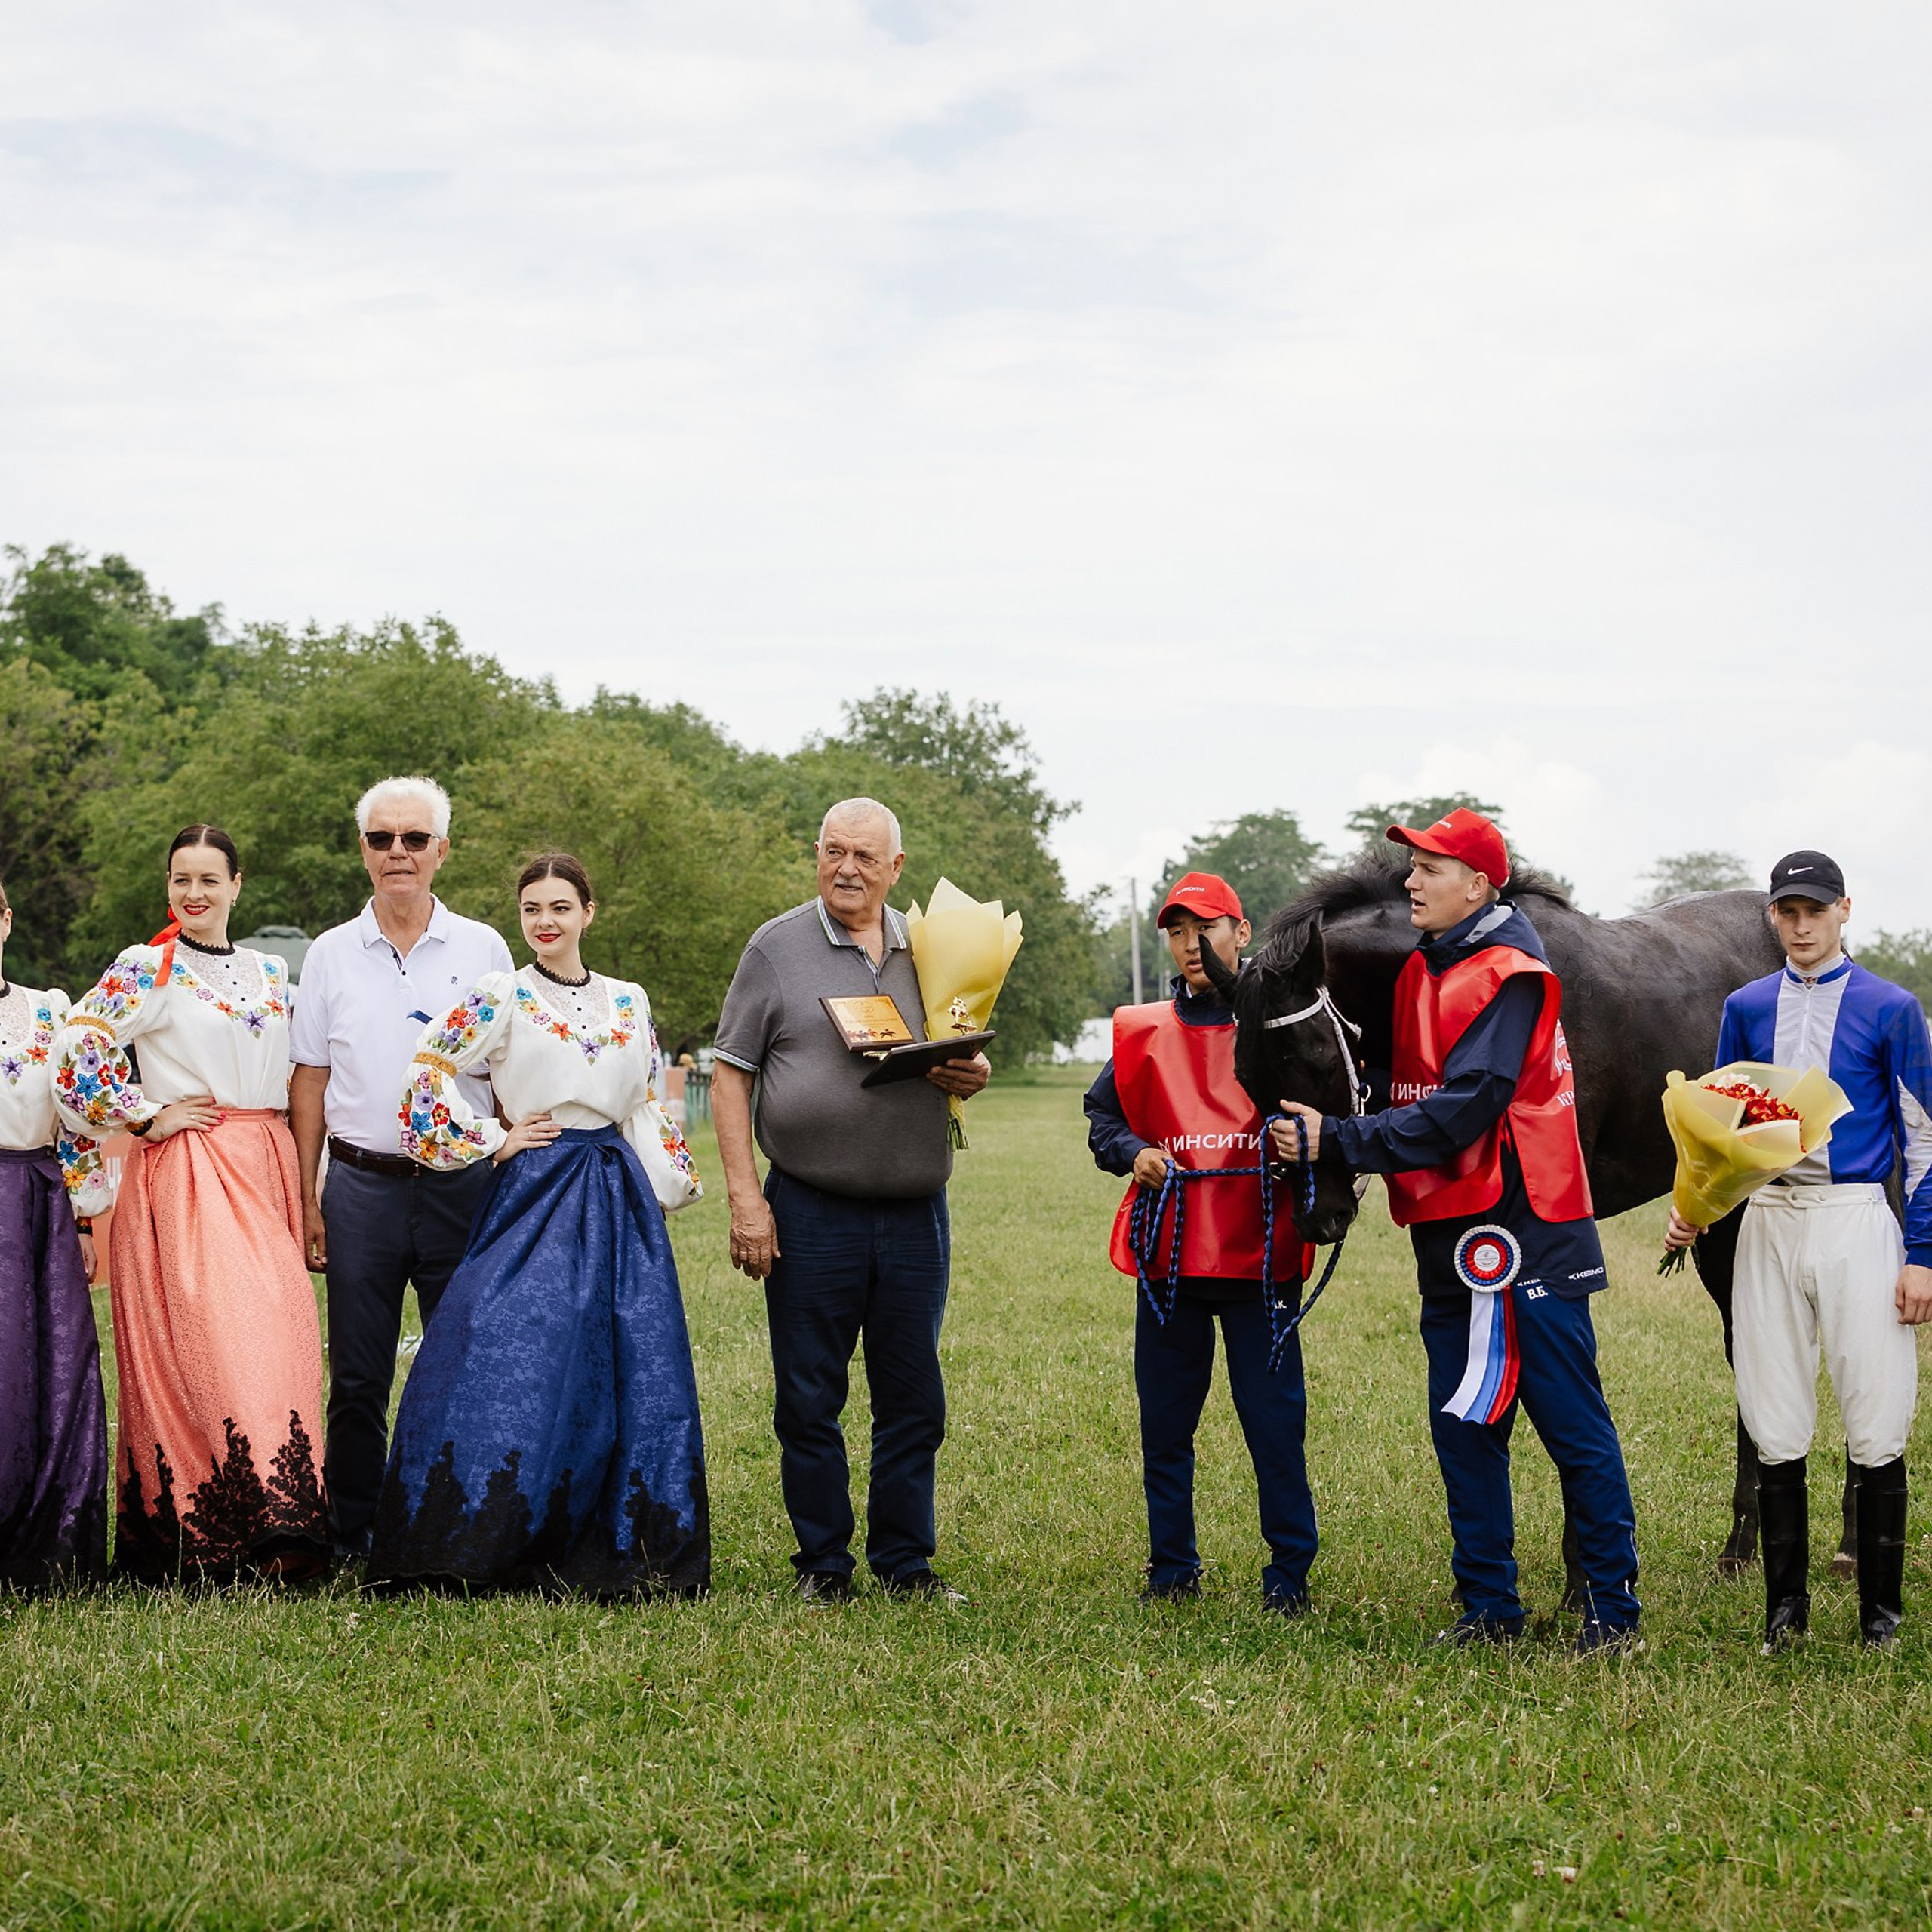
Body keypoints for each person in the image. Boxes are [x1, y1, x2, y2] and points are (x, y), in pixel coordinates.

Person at [1272, 809, 1641, 1654]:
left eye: (1428, 868)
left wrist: (1339, 1140)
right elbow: (1394, 1082)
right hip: (1446, 1230)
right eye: (1410, 868)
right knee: (1462, 1422)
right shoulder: (1420, 970)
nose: (1409, 882)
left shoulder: (1511, 972)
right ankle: (1488, 1608)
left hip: (1526, 1229)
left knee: (1570, 1425)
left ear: (1476, 885)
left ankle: (1615, 1615)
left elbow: (1466, 1107)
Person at [365, 854, 709, 1596]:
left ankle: (615, 1534)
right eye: (531, 909)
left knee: (621, 1363)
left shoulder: (629, 999)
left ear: (589, 912)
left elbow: (646, 1100)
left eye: (560, 906)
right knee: (505, 1351)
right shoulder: (503, 994)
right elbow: (425, 1070)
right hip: (537, 1186)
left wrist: (668, 1184)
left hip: (616, 1195)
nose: (545, 921)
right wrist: (493, 1138)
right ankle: (492, 1528)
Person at [712, 798, 989, 1603]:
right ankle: (823, 1566)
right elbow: (731, 1073)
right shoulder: (776, 946)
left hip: (913, 1212)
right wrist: (745, 1201)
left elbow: (962, 1056)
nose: (847, 869)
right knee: (808, 1395)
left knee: (912, 1397)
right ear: (817, 853)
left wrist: (970, 1076)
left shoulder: (937, 950)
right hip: (808, 1205)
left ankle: (906, 1565)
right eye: (835, 851)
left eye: (866, 856)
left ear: (896, 868)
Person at [1665, 850, 1932, 1650]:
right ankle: (1784, 1617)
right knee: (1773, 1408)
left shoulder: (1893, 1008)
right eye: (1787, 910)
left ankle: (1878, 1619)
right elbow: (1721, 1128)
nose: (1802, 923)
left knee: (1874, 1411)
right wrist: (1695, 1206)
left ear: (1844, 909)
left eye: (1816, 908)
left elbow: (1922, 1138)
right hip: (1769, 1221)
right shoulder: (1745, 1006)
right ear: (1773, 917)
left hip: (1855, 1217)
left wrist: (1921, 1252)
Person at [54, 825, 328, 1581]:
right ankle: (242, 1535)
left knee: (283, 1335)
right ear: (168, 886)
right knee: (219, 1343)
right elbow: (77, 1045)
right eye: (182, 879)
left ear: (239, 885)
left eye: (210, 879)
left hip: (265, 1157)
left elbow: (316, 1064)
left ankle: (283, 1515)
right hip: (192, 1165)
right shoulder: (149, 966)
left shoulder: (274, 972)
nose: (195, 893)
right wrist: (145, 1113)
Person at [288, 776, 512, 1561]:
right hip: (359, 1188)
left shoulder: (486, 948)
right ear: (363, 851)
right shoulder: (327, 954)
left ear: (441, 850)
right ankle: (354, 1536)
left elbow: (508, 1069)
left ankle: (452, 1525)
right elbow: (308, 1078)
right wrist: (308, 1196)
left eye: (414, 839)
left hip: (461, 1188)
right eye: (382, 839)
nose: (397, 853)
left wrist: (508, 1148)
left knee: (462, 1365)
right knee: (356, 1378)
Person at [1082, 872, 1318, 1613]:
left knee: (1275, 1428)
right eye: (1178, 930)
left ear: (1241, 933)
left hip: (1261, 1255)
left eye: (1207, 927)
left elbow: (1331, 1104)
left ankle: (1287, 1575)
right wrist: (1131, 1152)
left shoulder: (1282, 1021)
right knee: (1165, 1428)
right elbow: (1102, 1119)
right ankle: (1171, 1569)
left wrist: (1305, 1138)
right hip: (1170, 1264)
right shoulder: (1143, 1028)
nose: (1192, 944)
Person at [0, 877, 109, 1590]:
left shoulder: (49, 1012)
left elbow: (74, 1120)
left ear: (5, 920)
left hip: (37, 1204)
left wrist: (84, 1214)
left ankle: (42, 1538)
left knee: (52, 1365)